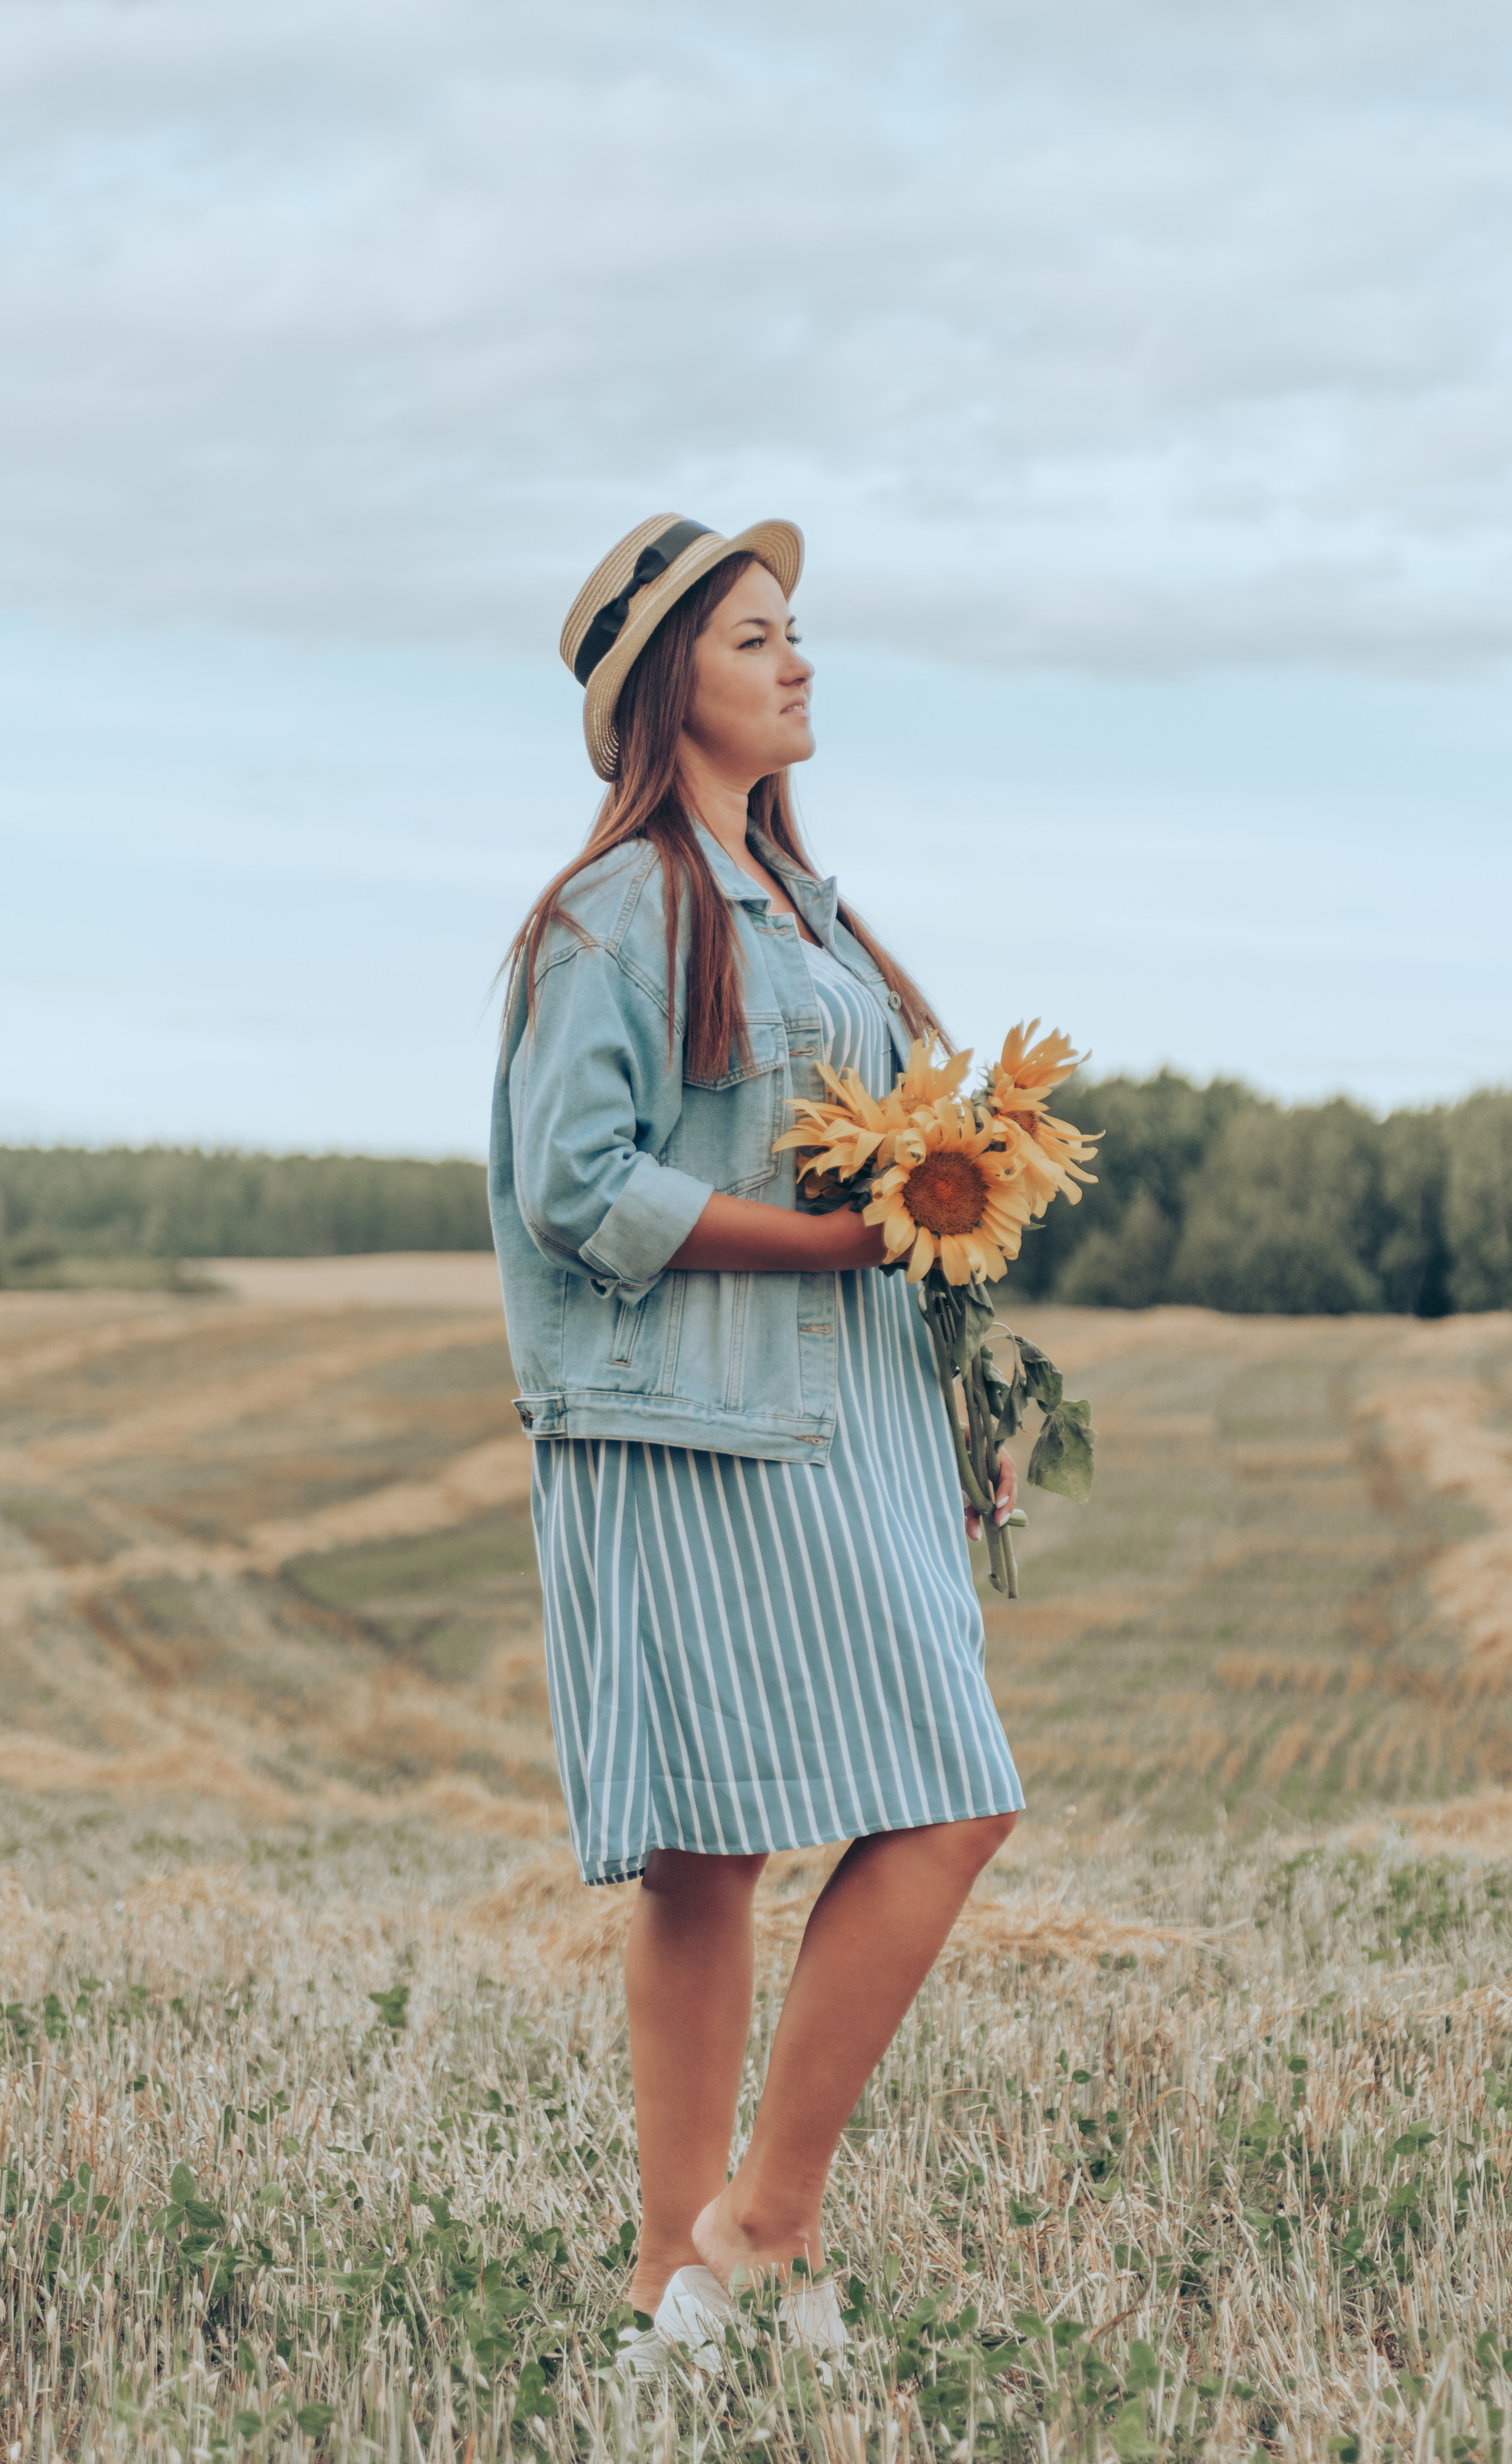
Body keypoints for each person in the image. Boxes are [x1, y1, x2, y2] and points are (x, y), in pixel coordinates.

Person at [489, 513, 1024, 2365]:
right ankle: (697, 2271)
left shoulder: (806, 907)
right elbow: (576, 1181)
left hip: (846, 1403)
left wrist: (961, 1402)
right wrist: (819, 1245)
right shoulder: (614, 908)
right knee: (712, 1848)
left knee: (950, 1791)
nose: (797, 662)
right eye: (754, 638)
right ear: (669, 689)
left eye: (797, 633)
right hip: (694, 1418)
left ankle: (743, 2236)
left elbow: (908, 1195)